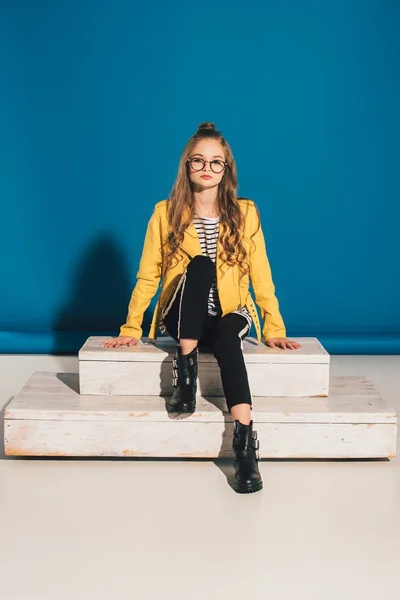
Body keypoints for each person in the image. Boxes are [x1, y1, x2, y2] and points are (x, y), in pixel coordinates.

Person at [101, 121, 301, 494]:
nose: (207, 168)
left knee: (229, 340)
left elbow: (262, 274)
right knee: (201, 265)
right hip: (182, 313)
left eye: (216, 162)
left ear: (226, 169)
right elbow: (148, 276)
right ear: (187, 166)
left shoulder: (246, 213)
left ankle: (245, 446)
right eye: (198, 161)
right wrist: (131, 328)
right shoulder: (165, 213)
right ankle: (187, 373)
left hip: (230, 312)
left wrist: (274, 328)